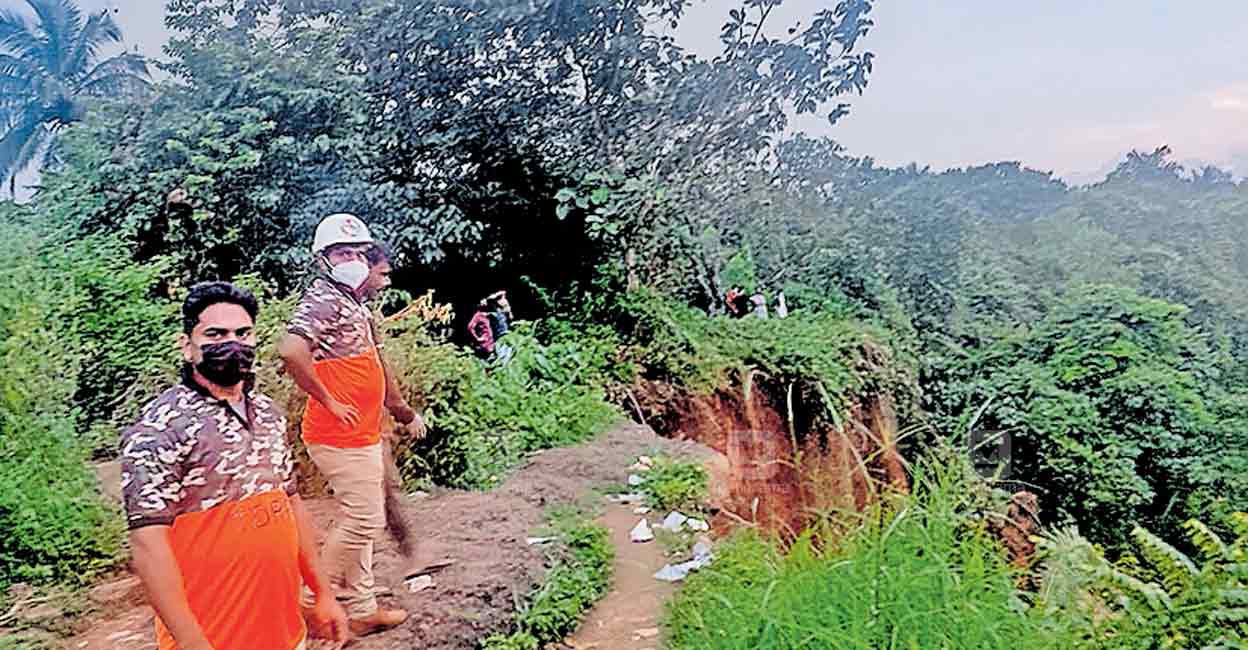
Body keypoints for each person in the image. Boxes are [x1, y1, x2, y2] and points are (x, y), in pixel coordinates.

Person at [122, 281, 348, 650]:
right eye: (216, 334)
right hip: (213, 637)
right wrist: (193, 644)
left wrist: (322, 592)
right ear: (187, 346)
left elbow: (290, 504)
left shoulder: (268, 415)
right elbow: (148, 544)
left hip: (285, 633)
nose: (233, 343)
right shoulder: (160, 427)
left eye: (243, 334)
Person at [276, 213, 423, 637]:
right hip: (339, 434)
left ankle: (361, 608)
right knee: (364, 520)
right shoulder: (323, 298)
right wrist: (328, 399)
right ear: (322, 259)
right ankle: (311, 601)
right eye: (342, 253)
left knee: (357, 519)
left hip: (361, 431)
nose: (353, 260)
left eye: (358, 252)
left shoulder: (353, 302)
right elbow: (290, 351)